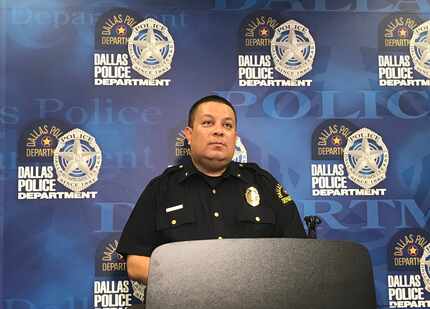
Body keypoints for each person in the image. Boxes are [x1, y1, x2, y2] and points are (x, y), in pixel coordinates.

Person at [117, 95, 306, 284]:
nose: (219, 131)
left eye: (227, 125)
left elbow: (299, 254)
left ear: (235, 138)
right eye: (208, 123)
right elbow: (136, 263)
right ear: (189, 135)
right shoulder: (161, 188)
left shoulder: (264, 184)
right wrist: (196, 282)